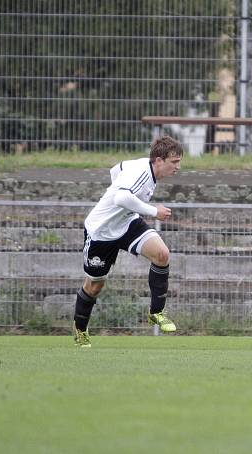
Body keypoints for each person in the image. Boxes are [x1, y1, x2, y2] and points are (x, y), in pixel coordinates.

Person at [72, 135, 183, 348]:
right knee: (94, 286)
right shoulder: (142, 172)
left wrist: (124, 204)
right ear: (159, 160)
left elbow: (116, 169)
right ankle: (80, 329)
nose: (178, 167)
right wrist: (154, 211)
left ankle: (157, 312)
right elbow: (120, 198)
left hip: (128, 223)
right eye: (174, 162)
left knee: (162, 255)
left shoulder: (142, 166)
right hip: (101, 232)